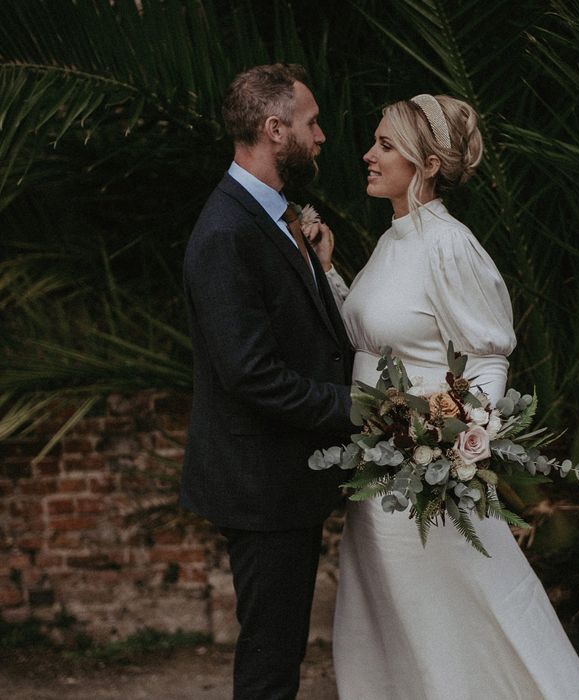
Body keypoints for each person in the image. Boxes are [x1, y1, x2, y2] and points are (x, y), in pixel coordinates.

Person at [327, 95, 579, 699]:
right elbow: (370, 337)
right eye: (375, 141)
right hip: (379, 475)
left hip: (428, 479)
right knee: (390, 623)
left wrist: (454, 440)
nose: (368, 155)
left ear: (425, 164)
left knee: (454, 617)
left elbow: (487, 353)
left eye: (385, 146)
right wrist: (327, 273)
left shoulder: (449, 243)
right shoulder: (394, 238)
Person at [180, 63, 354, 699]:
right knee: (270, 663)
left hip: (284, 481)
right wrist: (355, 406)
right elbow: (252, 375)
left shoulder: (274, 218)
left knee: (279, 650)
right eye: (312, 124)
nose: (323, 136)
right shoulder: (226, 232)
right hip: (261, 486)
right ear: (276, 130)